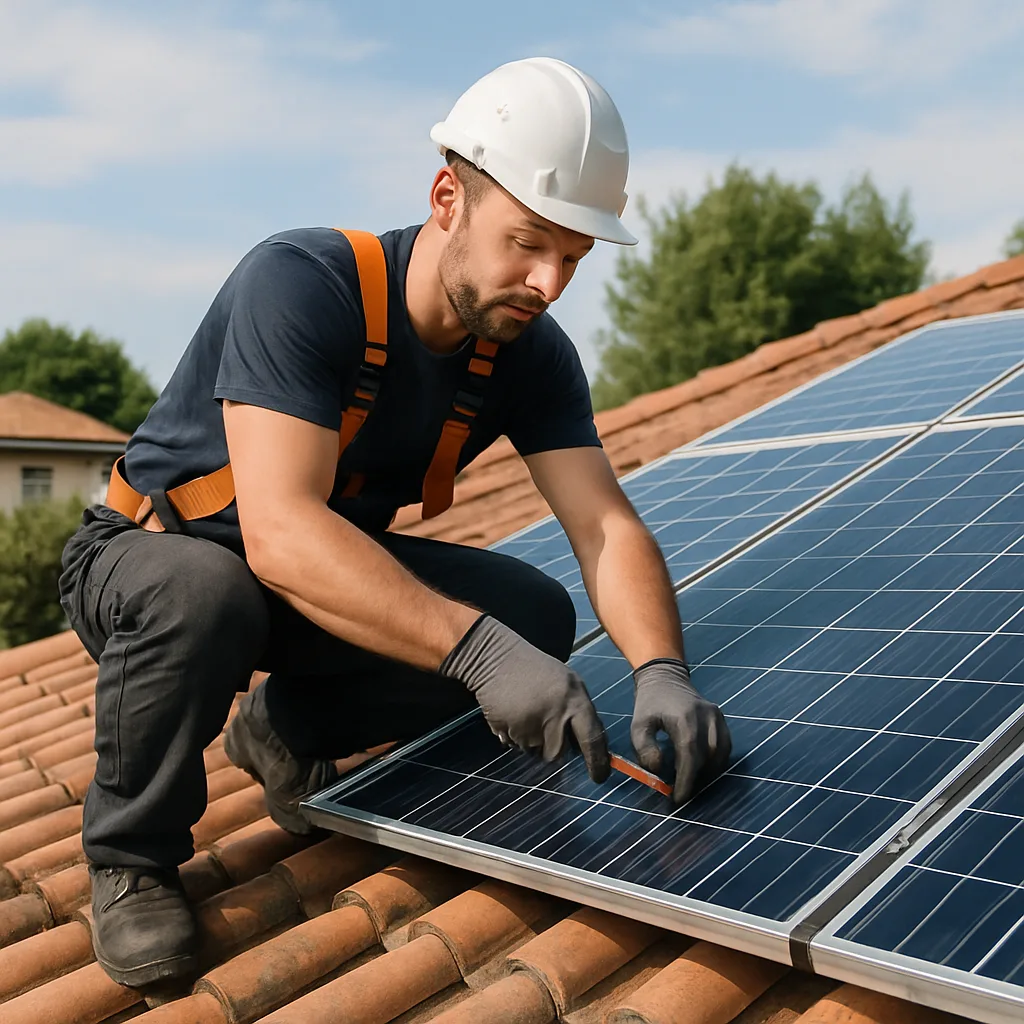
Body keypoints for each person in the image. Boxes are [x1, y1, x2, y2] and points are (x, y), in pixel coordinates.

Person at [59, 57, 731, 988]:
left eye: (572, 258)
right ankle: (131, 859)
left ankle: (285, 730)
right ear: (447, 196)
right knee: (210, 591)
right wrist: (478, 656)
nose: (547, 283)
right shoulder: (301, 284)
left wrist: (662, 670)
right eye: (528, 241)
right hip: (152, 558)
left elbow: (604, 525)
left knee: (534, 615)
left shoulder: (529, 356)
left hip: (299, 588)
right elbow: (282, 534)